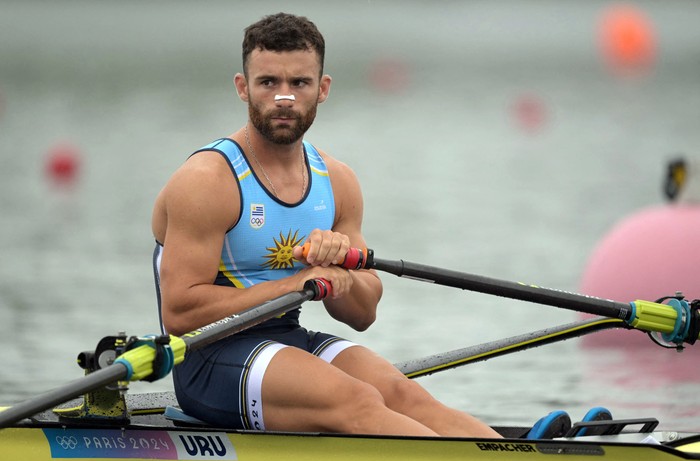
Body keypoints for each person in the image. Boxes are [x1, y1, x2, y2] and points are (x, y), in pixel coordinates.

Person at [152, 12, 598, 439]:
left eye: (299, 83)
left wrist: (340, 274)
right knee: (358, 401)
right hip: (209, 359)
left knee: (405, 395)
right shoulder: (207, 181)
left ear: (322, 88)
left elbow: (363, 314)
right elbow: (180, 313)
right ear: (242, 87)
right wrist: (297, 284)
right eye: (268, 82)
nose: (283, 98)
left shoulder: (337, 181)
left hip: (287, 339)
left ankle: (516, 457)